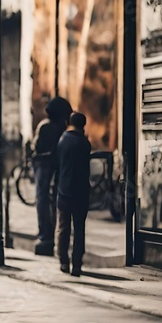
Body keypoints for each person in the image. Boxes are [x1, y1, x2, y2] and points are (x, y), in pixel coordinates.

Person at [32, 96, 73, 256]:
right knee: (49, 199)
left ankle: (45, 233)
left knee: (42, 198)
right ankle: (48, 233)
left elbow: (37, 147)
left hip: (43, 164)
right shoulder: (56, 128)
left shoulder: (46, 126)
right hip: (50, 165)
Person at [56, 112, 92, 277]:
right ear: (83, 125)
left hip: (64, 190)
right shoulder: (85, 143)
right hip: (81, 191)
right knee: (79, 229)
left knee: (63, 227)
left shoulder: (63, 141)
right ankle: (77, 264)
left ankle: (63, 261)